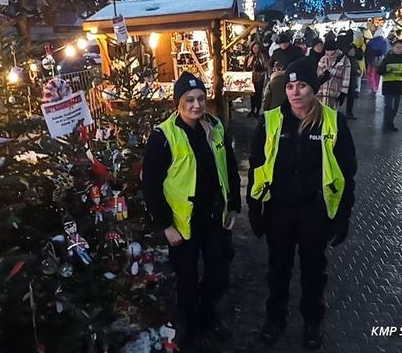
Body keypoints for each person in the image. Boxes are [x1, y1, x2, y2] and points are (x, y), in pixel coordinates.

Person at [247, 57, 357, 350]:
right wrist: (254, 209)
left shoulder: (333, 121)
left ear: (314, 89)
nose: (295, 92)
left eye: (303, 86)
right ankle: (275, 317)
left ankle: (312, 321)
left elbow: (347, 171)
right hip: (279, 211)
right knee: (278, 270)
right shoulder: (270, 121)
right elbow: (257, 166)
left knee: (313, 272)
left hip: (314, 211)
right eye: (291, 86)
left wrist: (343, 214)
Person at [142, 72, 241, 349]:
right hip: (183, 221)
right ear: (178, 103)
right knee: (185, 278)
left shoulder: (215, 127)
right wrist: (166, 225)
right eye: (189, 99)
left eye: (200, 99)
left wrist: (233, 205)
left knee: (218, 273)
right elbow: (150, 185)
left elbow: (230, 169)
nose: (196, 105)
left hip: (215, 217)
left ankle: (208, 313)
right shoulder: (164, 136)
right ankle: (189, 322)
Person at [377, 39, 402, 132]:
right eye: (397, 47)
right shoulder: (387, 58)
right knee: (388, 106)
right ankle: (387, 123)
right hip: (388, 85)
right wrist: (387, 71)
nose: (399, 49)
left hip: (400, 85)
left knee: (396, 107)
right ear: (393, 47)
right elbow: (379, 71)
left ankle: (390, 122)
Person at [316, 39, 351, 108]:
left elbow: (346, 79)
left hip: (334, 94)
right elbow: (317, 74)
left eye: (332, 54)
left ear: (336, 51)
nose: (329, 56)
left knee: (331, 116)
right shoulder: (323, 59)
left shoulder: (345, 60)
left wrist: (343, 93)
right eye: (327, 54)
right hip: (321, 93)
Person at [245, 41, 268, 117]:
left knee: (258, 94)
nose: (256, 49)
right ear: (252, 48)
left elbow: (265, 67)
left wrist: (262, 71)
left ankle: (257, 110)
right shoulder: (249, 57)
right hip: (251, 78)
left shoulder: (262, 57)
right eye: (254, 48)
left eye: (257, 48)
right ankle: (252, 109)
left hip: (259, 78)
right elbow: (246, 67)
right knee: (252, 94)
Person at [365, 29, 388, 95]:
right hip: (380, 60)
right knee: (377, 75)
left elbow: (367, 51)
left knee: (370, 74)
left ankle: (373, 88)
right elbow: (384, 52)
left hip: (371, 60)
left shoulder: (371, 41)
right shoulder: (384, 41)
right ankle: (376, 87)